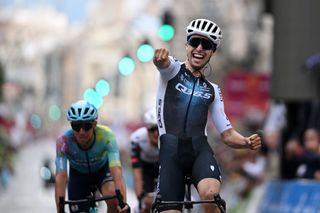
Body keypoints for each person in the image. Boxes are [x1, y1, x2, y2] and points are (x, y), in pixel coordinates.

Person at [152, 18, 262, 213]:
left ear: (212, 52)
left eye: (207, 45)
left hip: (199, 152)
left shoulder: (213, 90)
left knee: (211, 196)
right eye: (195, 42)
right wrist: (159, 59)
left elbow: (227, 134)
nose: (200, 48)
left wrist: (245, 142)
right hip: (170, 153)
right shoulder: (173, 71)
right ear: (186, 45)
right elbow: (163, 63)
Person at [55, 100, 129, 213]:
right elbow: (61, 176)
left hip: (102, 172)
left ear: (94, 124)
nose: (81, 131)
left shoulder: (107, 136)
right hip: (78, 176)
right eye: (76, 126)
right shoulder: (63, 141)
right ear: (71, 125)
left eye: (86, 126)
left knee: (113, 197)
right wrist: (59, 208)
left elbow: (117, 171)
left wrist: (123, 204)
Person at [130, 108, 159, 213]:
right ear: (147, 129)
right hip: (146, 169)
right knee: (146, 204)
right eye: (152, 129)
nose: (156, 133)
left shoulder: (168, 138)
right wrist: (140, 197)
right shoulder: (136, 139)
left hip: (163, 168)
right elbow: (136, 171)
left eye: (159, 129)